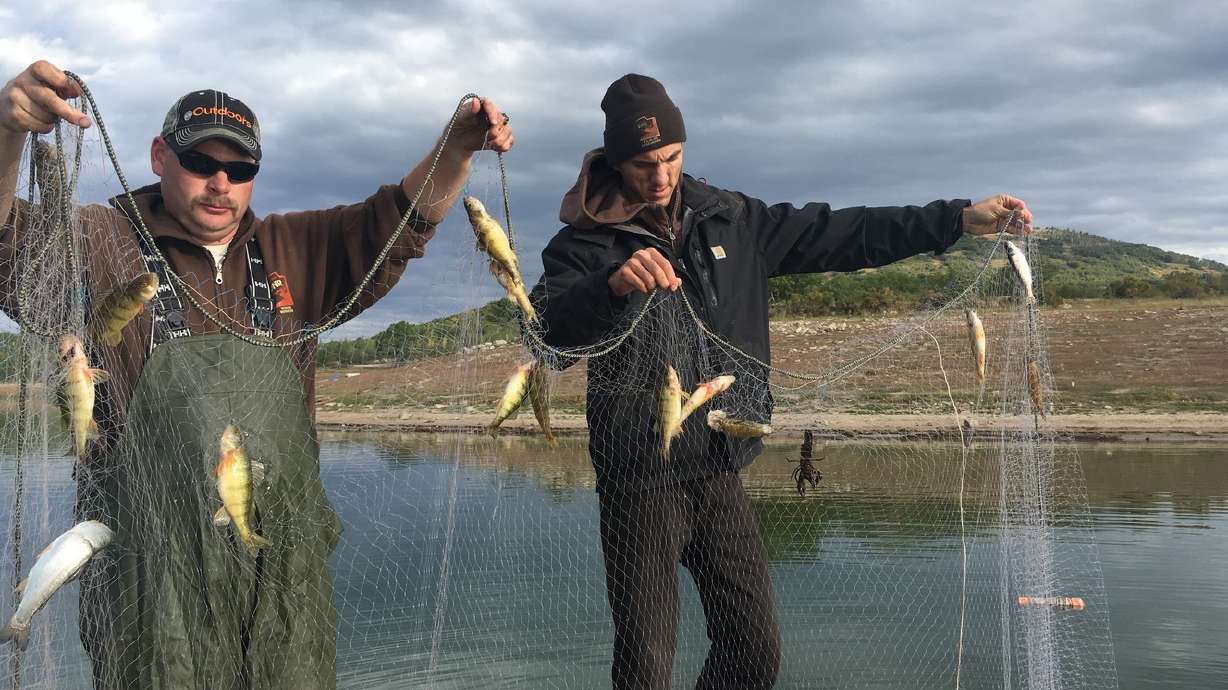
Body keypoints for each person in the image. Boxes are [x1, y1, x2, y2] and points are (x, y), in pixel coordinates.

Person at [0, 60, 513, 689]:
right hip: (149, 575)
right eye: (201, 163)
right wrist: (8, 134)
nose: (221, 183)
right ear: (160, 156)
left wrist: (457, 146)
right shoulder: (99, 239)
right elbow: (6, 247)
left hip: (282, 574)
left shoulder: (293, 248)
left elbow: (402, 220)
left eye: (240, 170)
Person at [529, 73, 1032, 689]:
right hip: (639, 477)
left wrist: (957, 218)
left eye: (671, 158)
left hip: (720, 463)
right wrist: (607, 286)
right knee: (645, 669)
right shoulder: (582, 244)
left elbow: (846, 232)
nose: (660, 176)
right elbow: (547, 339)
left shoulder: (733, 219)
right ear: (613, 159)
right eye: (642, 164)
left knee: (754, 651)